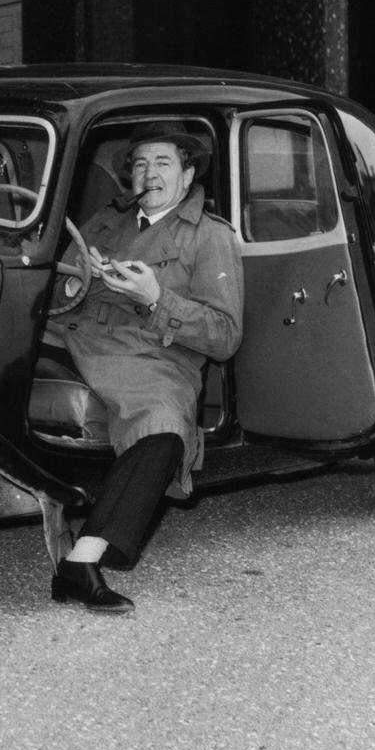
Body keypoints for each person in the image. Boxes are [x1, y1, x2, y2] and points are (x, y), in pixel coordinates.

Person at [48, 122, 244, 613]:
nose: (149, 173)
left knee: (162, 423)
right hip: (73, 338)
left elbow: (224, 335)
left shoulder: (211, 237)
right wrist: (78, 282)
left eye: (162, 162)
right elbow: (55, 293)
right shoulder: (102, 223)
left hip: (154, 357)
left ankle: (81, 561)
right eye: (139, 164)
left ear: (187, 173)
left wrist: (156, 297)